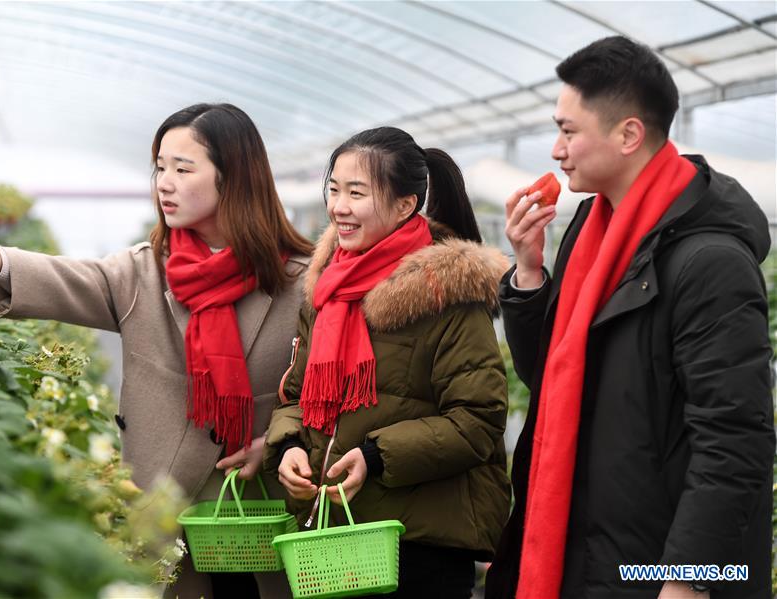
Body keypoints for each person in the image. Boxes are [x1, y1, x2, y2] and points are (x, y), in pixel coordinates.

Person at [0, 103, 314, 599]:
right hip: (164, 515)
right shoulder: (146, 271)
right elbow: (74, 278)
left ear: (234, 178)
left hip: (262, 515)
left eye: (183, 168)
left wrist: (280, 441)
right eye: (159, 167)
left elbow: (327, 391)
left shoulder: (300, 282)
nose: (164, 183)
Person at [484, 36, 774, 599]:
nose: (555, 149)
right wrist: (527, 273)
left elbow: (734, 440)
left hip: (653, 570)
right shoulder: (591, 234)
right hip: (587, 552)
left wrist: (688, 580)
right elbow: (548, 376)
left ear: (628, 135)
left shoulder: (710, 262)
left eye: (568, 131)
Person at [262, 126, 512, 598]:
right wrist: (291, 444)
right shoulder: (327, 290)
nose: (339, 207)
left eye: (357, 193)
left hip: (419, 544)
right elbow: (297, 394)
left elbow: (479, 420)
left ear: (404, 205)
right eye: (334, 190)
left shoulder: (447, 294)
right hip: (337, 536)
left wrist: (376, 457)